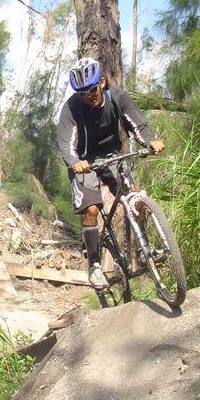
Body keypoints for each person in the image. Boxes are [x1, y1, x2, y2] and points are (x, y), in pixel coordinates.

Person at [57, 57, 165, 289]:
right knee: (92, 209)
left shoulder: (117, 96)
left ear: (102, 83)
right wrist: (75, 162)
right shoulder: (72, 108)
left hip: (113, 154)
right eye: (82, 93)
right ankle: (94, 266)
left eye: (92, 90)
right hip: (85, 162)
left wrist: (150, 141)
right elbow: (66, 144)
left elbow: (138, 124)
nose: (88, 96)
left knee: (135, 198)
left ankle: (146, 247)